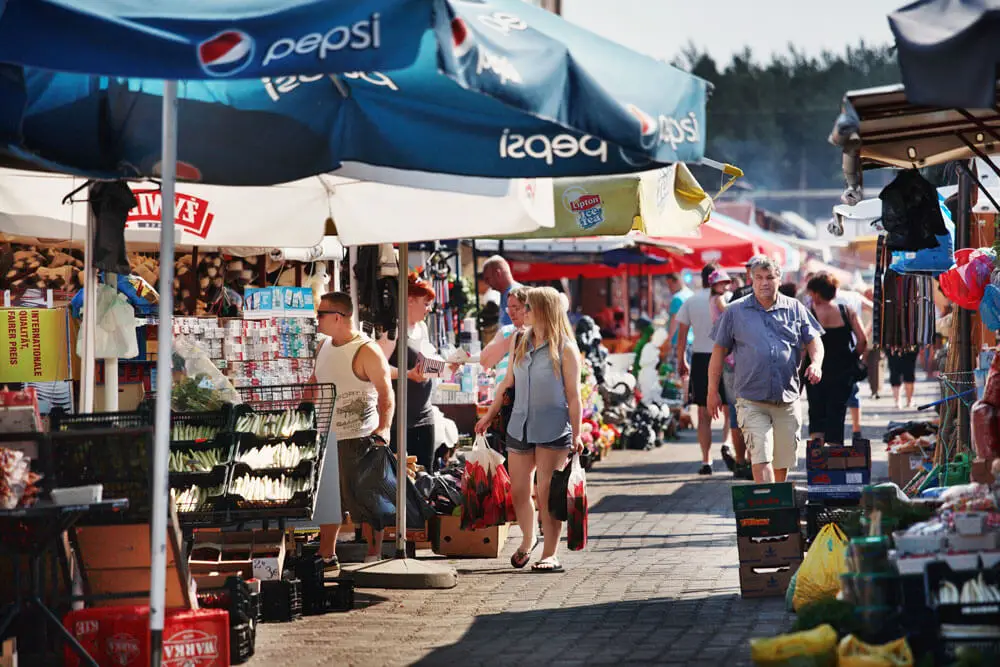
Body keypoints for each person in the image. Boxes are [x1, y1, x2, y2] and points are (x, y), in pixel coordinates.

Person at [475, 287, 583, 573]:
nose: (523, 313)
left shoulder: (565, 348)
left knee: (547, 491)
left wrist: (579, 432)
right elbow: (507, 382)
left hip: (553, 426)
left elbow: (574, 396)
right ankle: (528, 539)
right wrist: (489, 415)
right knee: (520, 490)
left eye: (528, 308)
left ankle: (550, 553)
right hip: (519, 424)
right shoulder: (519, 340)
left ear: (543, 311)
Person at [708, 256, 825, 483]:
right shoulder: (735, 311)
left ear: (779, 279)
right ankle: (769, 508)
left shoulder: (795, 308)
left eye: (770, 277)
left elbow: (814, 341)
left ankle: (776, 509)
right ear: (751, 280)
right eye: (759, 277)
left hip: (787, 399)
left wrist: (816, 363)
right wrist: (712, 390)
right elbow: (718, 352)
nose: (764, 282)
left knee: (782, 464)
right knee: (760, 459)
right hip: (751, 400)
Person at [311, 292, 395, 568]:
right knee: (328, 499)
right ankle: (327, 554)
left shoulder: (367, 350)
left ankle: (374, 554)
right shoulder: (323, 346)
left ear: (337, 317)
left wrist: (384, 429)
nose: (316, 319)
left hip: (359, 436)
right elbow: (314, 382)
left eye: (320, 314)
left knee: (366, 499)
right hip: (326, 434)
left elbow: (386, 393)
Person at [676, 265, 740, 475]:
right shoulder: (730, 299)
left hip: (701, 358)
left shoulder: (691, 301)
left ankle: (706, 460)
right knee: (731, 407)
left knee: (703, 412)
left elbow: (682, 335)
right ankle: (727, 443)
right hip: (727, 358)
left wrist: (681, 360)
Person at [804, 273, 868, 445]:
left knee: (817, 413)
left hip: (816, 372)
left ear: (816, 293)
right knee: (836, 415)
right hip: (843, 371)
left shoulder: (809, 314)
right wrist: (854, 357)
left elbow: (802, 346)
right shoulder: (847, 312)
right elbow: (863, 340)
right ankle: (834, 458)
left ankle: (817, 459)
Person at [384, 275, 437, 472]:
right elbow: (379, 368)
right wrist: (407, 374)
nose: (429, 309)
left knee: (426, 477)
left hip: (425, 415)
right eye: (426, 303)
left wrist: (445, 366)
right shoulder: (394, 330)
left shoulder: (422, 327)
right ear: (409, 300)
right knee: (402, 479)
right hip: (400, 420)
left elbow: (424, 364)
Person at [835, 284, 874, 440]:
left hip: (832, 350)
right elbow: (877, 308)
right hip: (853, 348)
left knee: (833, 394)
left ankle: (834, 431)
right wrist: (866, 330)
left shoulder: (824, 299)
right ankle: (856, 429)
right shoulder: (854, 296)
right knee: (852, 391)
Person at [478, 286, 529, 384]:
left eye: (516, 308)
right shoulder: (507, 331)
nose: (511, 313)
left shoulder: (539, 334)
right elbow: (485, 361)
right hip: (502, 397)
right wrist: (513, 338)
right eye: (508, 309)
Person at [659, 272, 693, 361]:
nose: (669, 289)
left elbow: (675, 321)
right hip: (691, 340)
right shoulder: (691, 295)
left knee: (677, 372)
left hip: (678, 341)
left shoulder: (677, 298)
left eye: (670, 285)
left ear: (677, 281)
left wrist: (668, 340)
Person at [482, 255, 522, 327]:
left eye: (487, 278)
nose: (486, 283)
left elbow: (518, 330)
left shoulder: (516, 294)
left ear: (498, 274)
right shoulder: (505, 293)